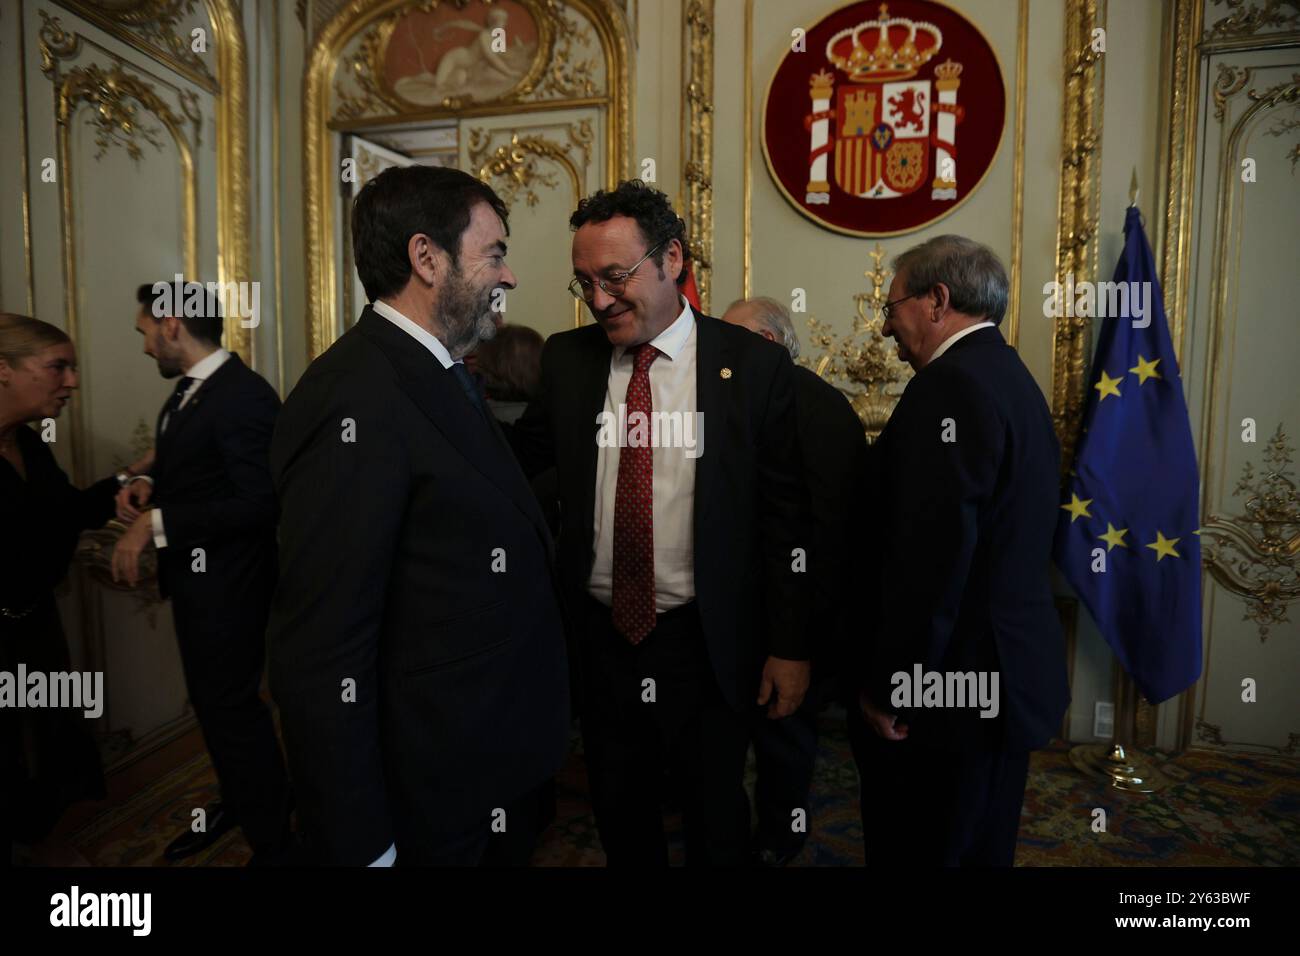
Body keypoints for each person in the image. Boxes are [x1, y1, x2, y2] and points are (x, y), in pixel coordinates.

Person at [267, 165, 569, 866]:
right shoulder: (354, 398)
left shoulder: (436, 370)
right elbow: (321, 652)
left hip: (481, 766)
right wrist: (363, 842)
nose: (510, 275)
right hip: (428, 798)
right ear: (426, 257)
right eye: (495, 253)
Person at [506, 181, 809, 866]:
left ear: (672, 258)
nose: (600, 298)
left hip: (705, 638)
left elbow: (787, 519)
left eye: (615, 276)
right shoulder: (569, 360)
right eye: (585, 282)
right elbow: (515, 467)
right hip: (602, 637)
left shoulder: (752, 366)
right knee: (619, 805)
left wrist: (791, 646)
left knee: (715, 811)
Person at [851, 235, 1069, 867]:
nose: (886, 325)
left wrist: (897, 684)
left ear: (937, 300)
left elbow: (932, 562)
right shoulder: (1009, 376)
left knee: (924, 849)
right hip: (995, 680)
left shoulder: (951, 388)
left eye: (891, 306)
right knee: (978, 845)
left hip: (951, 691)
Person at [111, 282, 292, 864]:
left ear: (170, 325)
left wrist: (156, 523)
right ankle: (238, 801)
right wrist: (147, 484)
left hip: (231, 589)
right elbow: (199, 470)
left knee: (233, 712)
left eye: (144, 332)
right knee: (214, 708)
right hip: (199, 585)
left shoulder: (244, 396)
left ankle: (274, 840)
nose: (144, 347)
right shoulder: (189, 392)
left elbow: (259, 502)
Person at [721, 296, 868, 866]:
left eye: (732, 341)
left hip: (794, 615)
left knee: (785, 734)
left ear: (767, 343)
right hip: (731, 611)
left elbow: (830, 535)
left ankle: (779, 839)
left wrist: (798, 637)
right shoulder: (733, 401)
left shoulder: (819, 407)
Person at [0, 314, 126, 864]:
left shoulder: (29, 443)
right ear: (2, 370)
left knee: (45, 743)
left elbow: (65, 513)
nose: (72, 381)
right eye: (58, 367)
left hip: (33, 623)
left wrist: (128, 482)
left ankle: (35, 839)